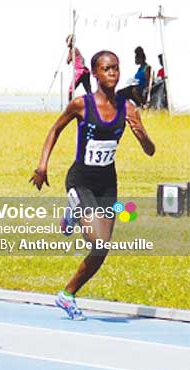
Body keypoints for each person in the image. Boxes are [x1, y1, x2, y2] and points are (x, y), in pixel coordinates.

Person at [30, 50, 155, 321]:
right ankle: (75, 210)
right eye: (106, 68)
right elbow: (55, 129)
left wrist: (141, 133)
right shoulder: (81, 104)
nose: (112, 73)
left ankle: (67, 295)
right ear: (95, 74)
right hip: (81, 180)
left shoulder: (128, 108)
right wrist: (42, 165)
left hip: (108, 184)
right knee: (96, 239)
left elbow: (150, 151)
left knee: (102, 248)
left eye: (116, 68)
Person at [66, 34, 91, 101]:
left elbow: (67, 61)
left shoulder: (73, 49)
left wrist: (70, 42)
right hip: (85, 71)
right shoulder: (74, 50)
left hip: (80, 71)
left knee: (70, 90)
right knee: (88, 91)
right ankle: (93, 107)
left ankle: (70, 108)